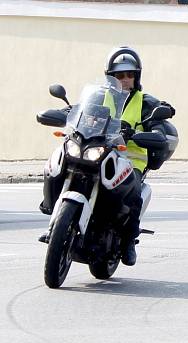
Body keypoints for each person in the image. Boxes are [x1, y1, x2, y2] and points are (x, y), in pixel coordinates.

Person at [39, 46, 174, 266]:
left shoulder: (146, 102)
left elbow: (159, 120)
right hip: (99, 149)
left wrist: (154, 131)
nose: (125, 79)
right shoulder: (100, 96)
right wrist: (64, 114)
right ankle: (51, 207)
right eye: (119, 75)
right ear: (110, 77)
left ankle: (129, 241)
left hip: (130, 159)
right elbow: (79, 111)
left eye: (129, 74)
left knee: (135, 194)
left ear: (136, 76)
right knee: (59, 161)